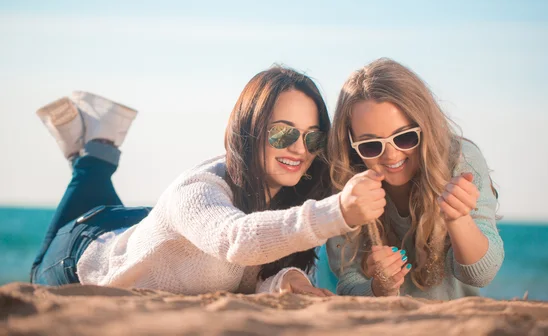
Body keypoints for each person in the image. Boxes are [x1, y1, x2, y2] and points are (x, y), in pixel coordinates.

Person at [31, 66, 387, 296]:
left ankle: (92, 150)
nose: (298, 148)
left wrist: (282, 282)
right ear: (250, 129)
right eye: (282, 134)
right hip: (83, 251)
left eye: (312, 138)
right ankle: (96, 151)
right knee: (36, 270)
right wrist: (337, 211)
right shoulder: (199, 188)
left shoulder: (283, 201)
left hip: (141, 231)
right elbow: (236, 241)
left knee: (95, 185)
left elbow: (245, 279)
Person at [325, 58, 504, 299]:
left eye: (405, 137)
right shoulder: (345, 182)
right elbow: (347, 283)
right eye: (370, 145)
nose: (391, 155)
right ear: (350, 144)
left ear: (425, 126)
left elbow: (482, 274)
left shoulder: (460, 160)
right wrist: (378, 289)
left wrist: (458, 218)